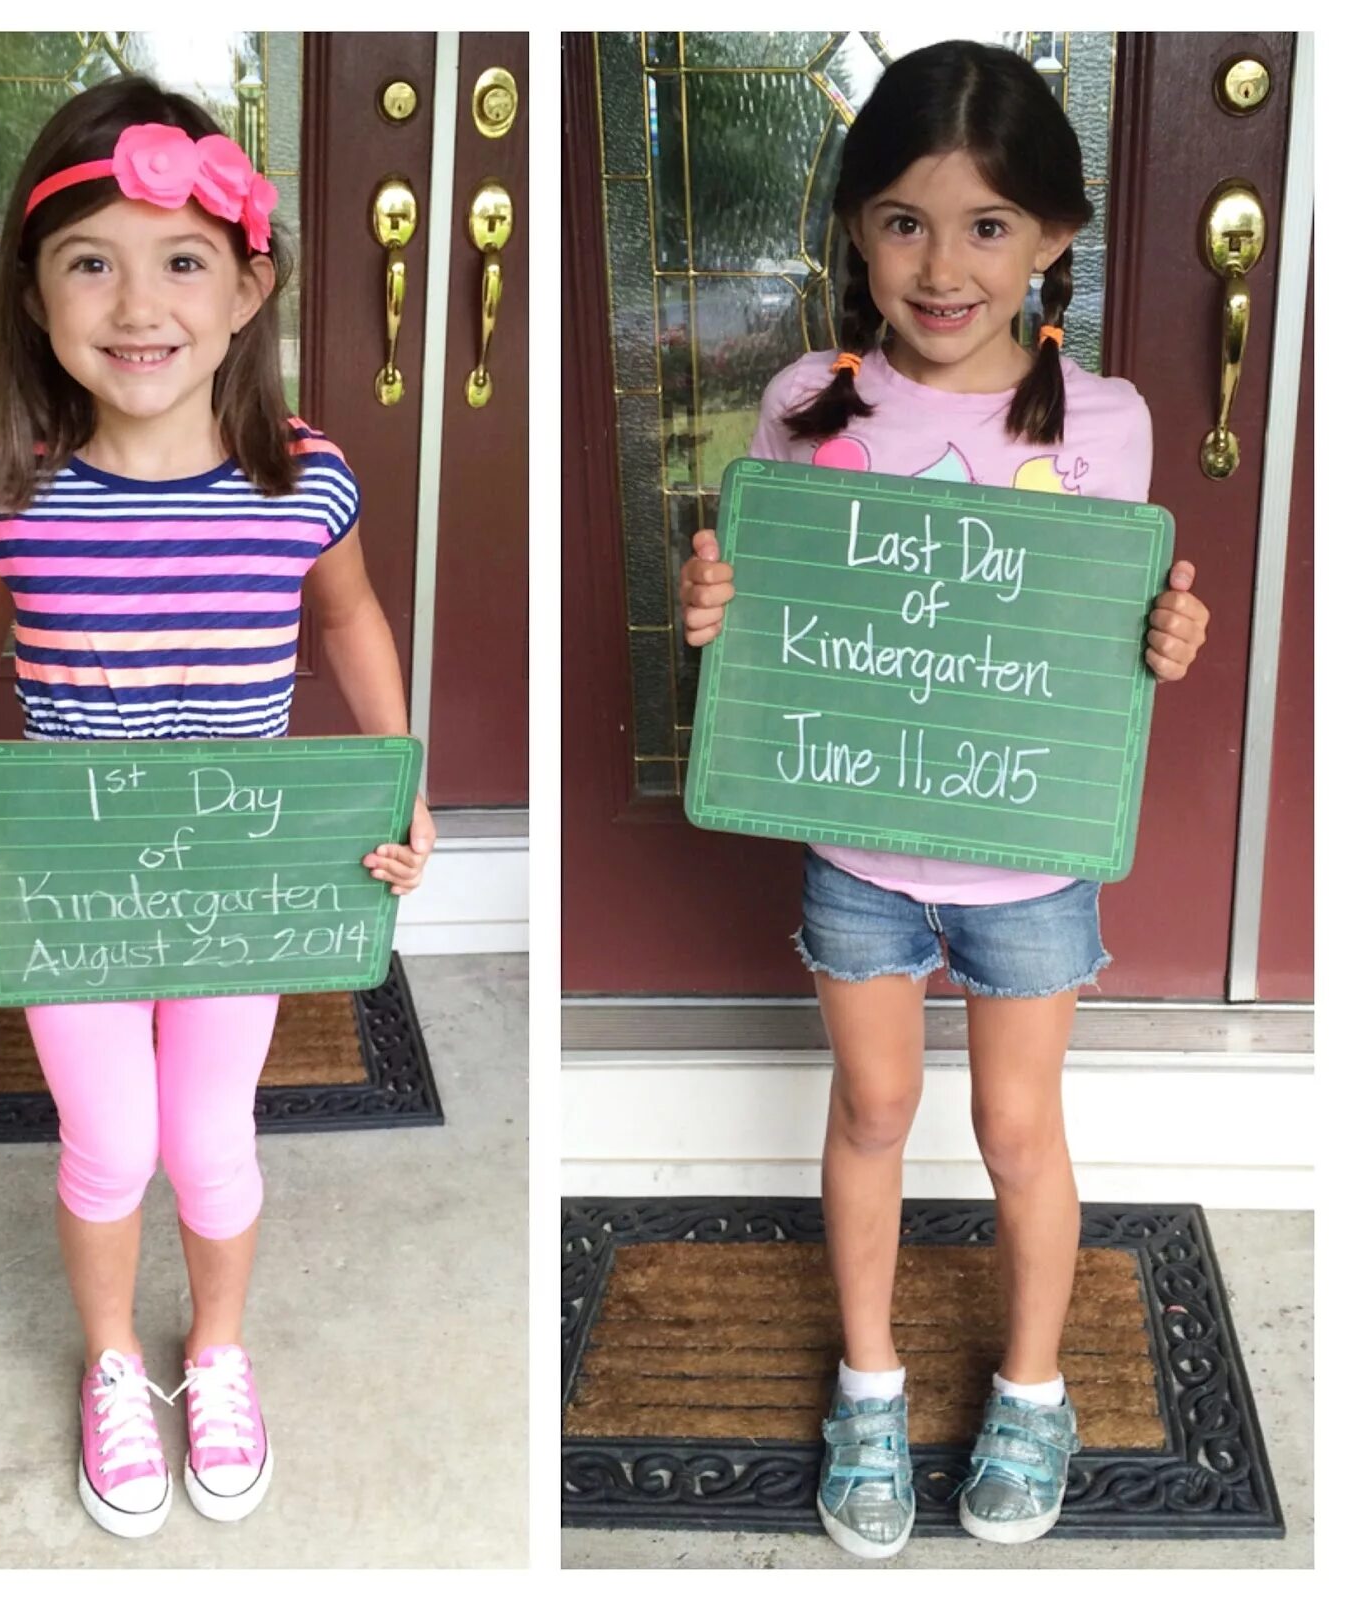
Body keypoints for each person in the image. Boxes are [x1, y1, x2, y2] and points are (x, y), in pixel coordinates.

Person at [0, 75, 436, 1539]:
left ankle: (223, 1355)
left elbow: (354, 621)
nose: (140, 304)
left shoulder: (298, 480)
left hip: (240, 886)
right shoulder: (10, 490)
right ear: (37, 293)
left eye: (182, 259)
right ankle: (118, 1362)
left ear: (247, 287)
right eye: (91, 262)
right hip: (72, 893)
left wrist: (399, 773)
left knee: (211, 1136)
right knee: (111, 1139)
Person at [679, 40, 1208, 1558]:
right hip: (860, 844)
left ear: (1053, 238)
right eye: (905, 219)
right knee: (876, 1105)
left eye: (987, 225)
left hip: (1031, 858)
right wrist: (720, 608)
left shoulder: (1104, 428)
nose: (943, 263)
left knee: (1018, 1127)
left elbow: (1100, 639)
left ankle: (1033, 1387)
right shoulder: (805, 404)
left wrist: (1162, 637)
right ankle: (868, 1381)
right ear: (855, 230)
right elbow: (772, 620)